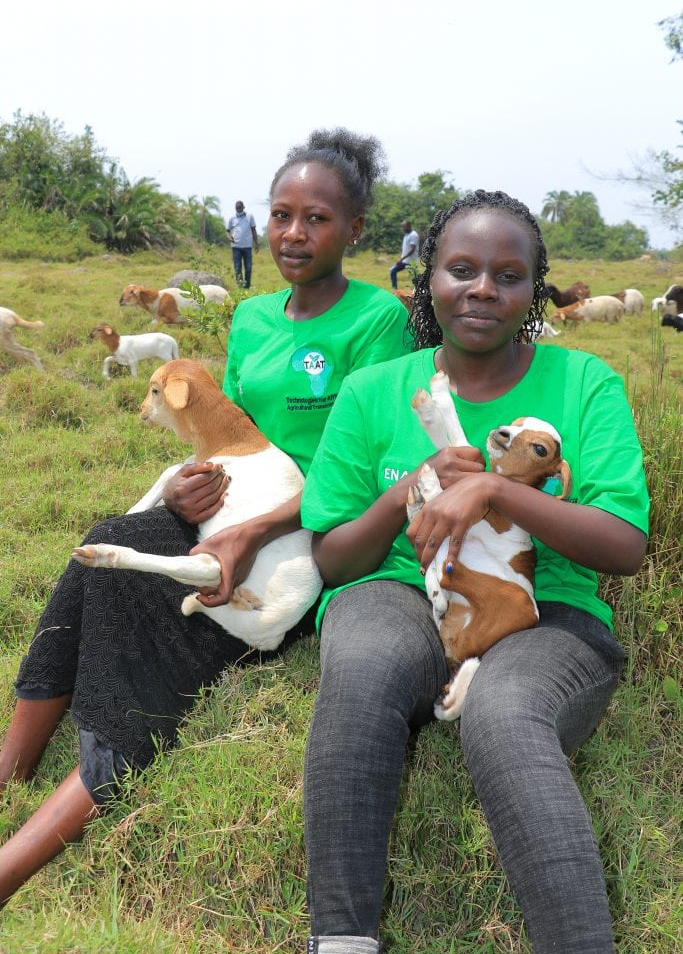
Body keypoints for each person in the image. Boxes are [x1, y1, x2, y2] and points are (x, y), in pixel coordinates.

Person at [0, 128, 413, 908]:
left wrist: (251, 531)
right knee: (103, 544)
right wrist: (193, 485)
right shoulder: (253, 318)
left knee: (151, 641)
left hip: (308, 536)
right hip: (233, 504)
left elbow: (362, 470)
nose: (293, 234)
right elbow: (225, 431)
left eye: (317, 219)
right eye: (281, 215)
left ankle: (14, 863)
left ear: (355, 229)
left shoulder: (376, 321)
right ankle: (11, 772)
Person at [300, 190, 649, 954]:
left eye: (508, 274)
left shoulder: (583, 382)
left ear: (533, 290)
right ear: (428, 280)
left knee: (503, 709)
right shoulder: (372, 391)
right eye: (461, 269)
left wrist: (493, 490)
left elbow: (622, 547)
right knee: (360, 671)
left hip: (543, 610)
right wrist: (414, 487)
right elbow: (331, 559)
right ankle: (342, 940)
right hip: (396, 586)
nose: (483, 289)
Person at [227, 200, 259, 288]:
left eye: (239, 208)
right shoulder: (232, 218)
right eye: (236, 208)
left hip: (247, 247)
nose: (238, 209)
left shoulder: (249, 217)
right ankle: (240, 285)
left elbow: (253, 230)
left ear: (243, 207)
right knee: (237, 267)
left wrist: (256, 244)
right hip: (236, 247)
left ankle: (247, 286)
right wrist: (229, 237)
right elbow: (227, 231)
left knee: (248, 267)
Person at [389, 218, 420, 289]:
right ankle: (395, 290)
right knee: (392, 270)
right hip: (405, 261)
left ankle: (417, 292)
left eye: (404, 226)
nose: (403, 228)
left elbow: (412, 249)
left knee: (414, 278)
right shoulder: (406, 234)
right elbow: (406, 248)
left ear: (409, 225)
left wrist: (401, 259)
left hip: (411, 261)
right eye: (402, 226)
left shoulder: (413, 235)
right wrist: (402, 259)